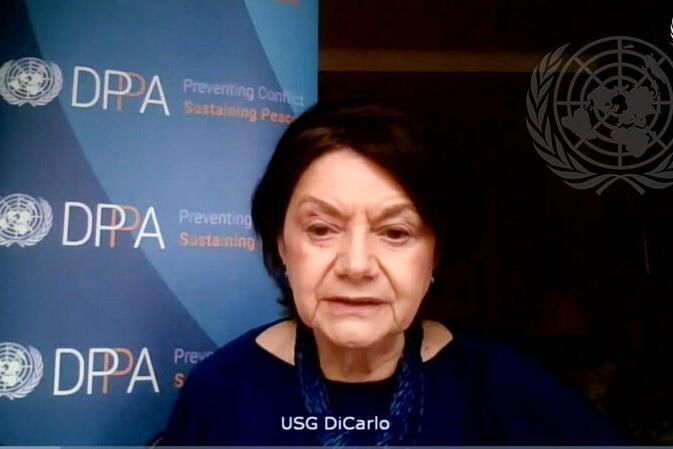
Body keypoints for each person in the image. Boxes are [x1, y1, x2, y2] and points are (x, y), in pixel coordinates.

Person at [161, 103, 625, 445]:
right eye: (321, 229)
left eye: (396, 232)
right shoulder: (222, 390)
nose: (356, 265)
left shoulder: (500, 386)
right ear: (282, 244)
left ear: (435, 254)